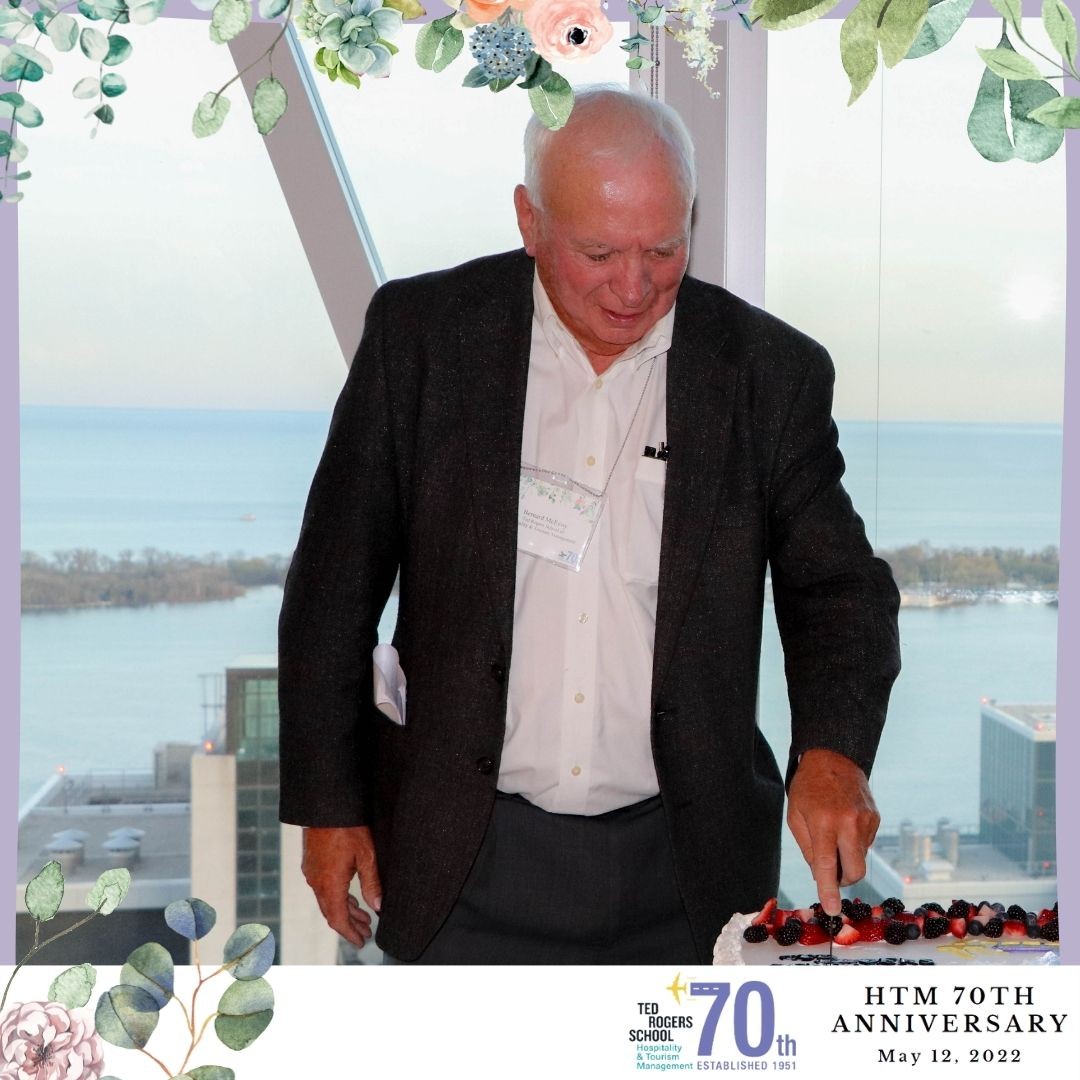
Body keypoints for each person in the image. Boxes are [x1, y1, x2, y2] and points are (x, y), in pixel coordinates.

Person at [277, 87, 901, 964]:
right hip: (461, 852)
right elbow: (332, 589)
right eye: (600, 252)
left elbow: (839, 591)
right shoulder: (423, 338)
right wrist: (328, 805)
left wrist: (832, 752)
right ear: (530, 221)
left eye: (664, 249)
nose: (634, 286)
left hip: (686, 866)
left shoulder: (768, 373)